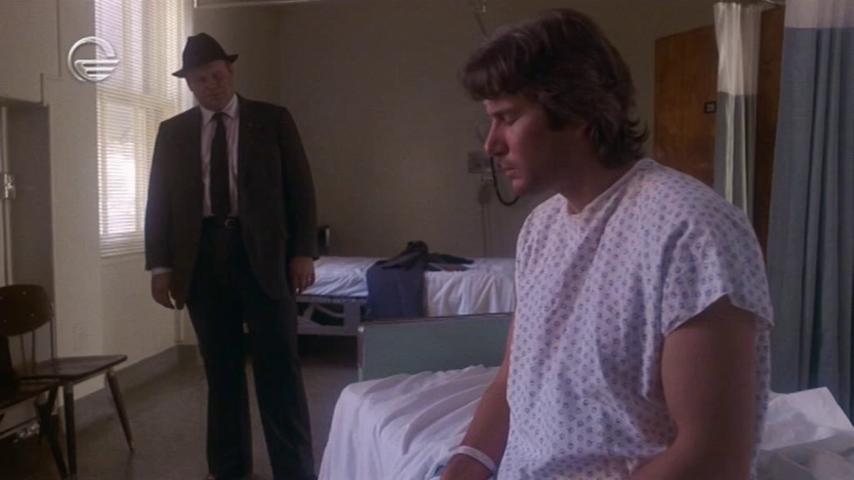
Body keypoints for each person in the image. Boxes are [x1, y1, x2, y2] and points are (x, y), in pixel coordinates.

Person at [442, 9, 773, 480]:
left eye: (508, 118)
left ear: (577, 110)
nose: (492, 144)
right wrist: (464, 465)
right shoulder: (540, 229)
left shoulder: (691, 231)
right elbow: (511, 381)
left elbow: (713, 458)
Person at [144, 32, 318, 480]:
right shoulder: (173, 133)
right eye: (200, 80)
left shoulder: (272, 120)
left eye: (217, 75)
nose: (211, 86)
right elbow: (159, 201)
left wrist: (303, 252)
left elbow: (300, 188)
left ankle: (295, 470)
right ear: (189, 84)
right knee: (221, 372)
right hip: (202, 260)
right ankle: (228, 470)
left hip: (265, 257)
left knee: (279, 369)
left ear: (231, 72)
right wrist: (161, 266)